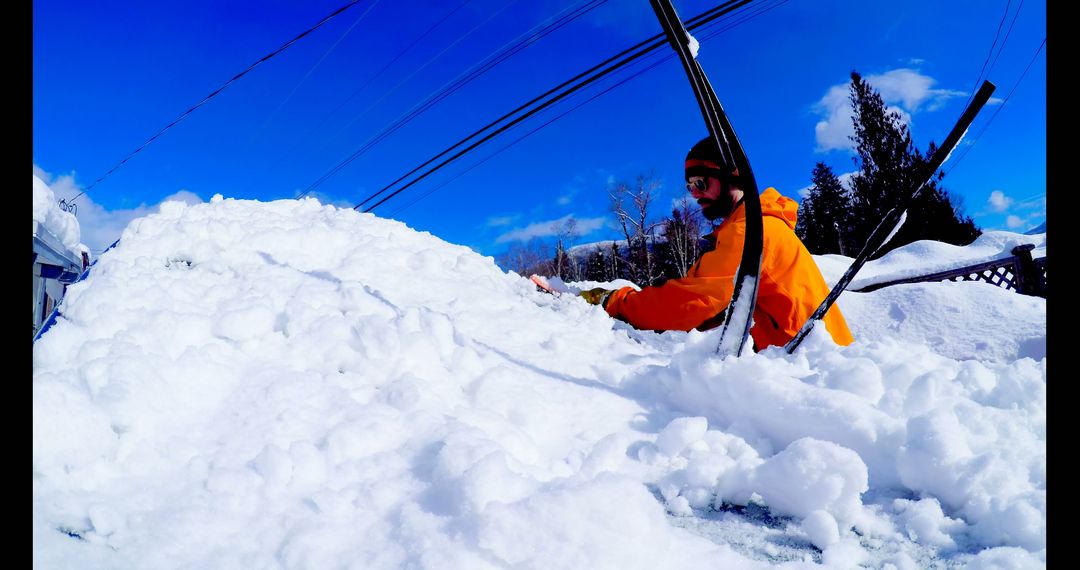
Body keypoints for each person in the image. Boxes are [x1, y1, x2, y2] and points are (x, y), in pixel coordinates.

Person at [579, 136, 854, 350]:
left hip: (810, 376)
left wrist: (616, 302)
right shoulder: (758, 225)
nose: (695, 194)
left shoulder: (749, 232)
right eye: (690, 187)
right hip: (818, 368)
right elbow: (717, 306)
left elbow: (694, 302)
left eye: (701, 182)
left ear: (731, 175)